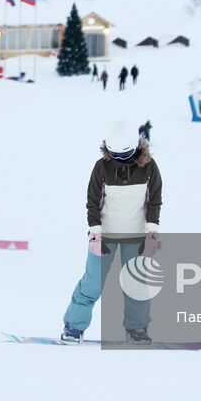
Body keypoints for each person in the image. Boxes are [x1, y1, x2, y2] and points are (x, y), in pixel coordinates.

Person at [61, 119, 163, 346]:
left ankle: (136, 329)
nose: (118, 160)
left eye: (123, 155)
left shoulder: (149, 167)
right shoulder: (101, 167)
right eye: (114, 154)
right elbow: (92, 201)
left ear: (135, 148)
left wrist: (151, 232)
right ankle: (73, 327)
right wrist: (95, 233)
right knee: (92, 285)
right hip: (104, 237)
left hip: (136, 236)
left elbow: (154, 201)